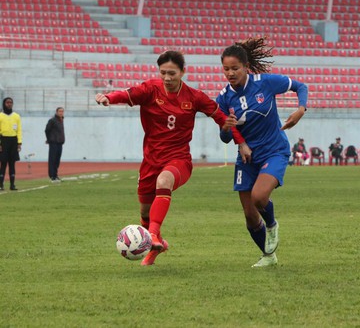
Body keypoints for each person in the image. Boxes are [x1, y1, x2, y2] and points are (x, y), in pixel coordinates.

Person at [95, 50, 250, 266]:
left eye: (172, 74)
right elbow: (127, 94)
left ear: (183, 72)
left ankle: (154, 236)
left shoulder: (194, 97)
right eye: (163, 73)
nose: (167, 78)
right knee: (145, 212)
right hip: (150, 161)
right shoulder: (150, 89)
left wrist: (241, 142)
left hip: (179, 160)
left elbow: (222, 118)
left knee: (164, 181)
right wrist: (108, 98)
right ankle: (157, 246)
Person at [217, 37, 308, 268]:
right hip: (246, 157)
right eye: (226, 69)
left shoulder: (265, 83)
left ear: (246, 67)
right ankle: (268, 256)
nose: (230, 73)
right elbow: (225, 137)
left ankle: (272, 225)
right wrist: (227, 128)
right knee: (249, 214)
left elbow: (301, 86)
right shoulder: (223, 97)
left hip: (274, 150)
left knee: (259, 197)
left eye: (235, 68)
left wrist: (300, 109)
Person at [0, 97, 22, 191]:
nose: (9, 104)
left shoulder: (16, 116)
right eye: (7, 102)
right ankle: (1, 184)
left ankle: (12, 184)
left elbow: (19, 130)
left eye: (11, 102)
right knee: (3, 163)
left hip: (13, 141)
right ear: (4, 104)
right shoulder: (0, 115)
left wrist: (19, 142)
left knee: (12, 163)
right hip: (3, 140)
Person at [44, 107, 65, 183]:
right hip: (54, 142)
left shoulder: (61, 120)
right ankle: (52, 176)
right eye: (60, 111)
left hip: (60, 142)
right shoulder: (52, 120)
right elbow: (47, 130)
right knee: (52, 159)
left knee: (57, 160)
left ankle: (55, 175)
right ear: (56, 112)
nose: (61, 113)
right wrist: (49, 139)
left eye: (62, 111)